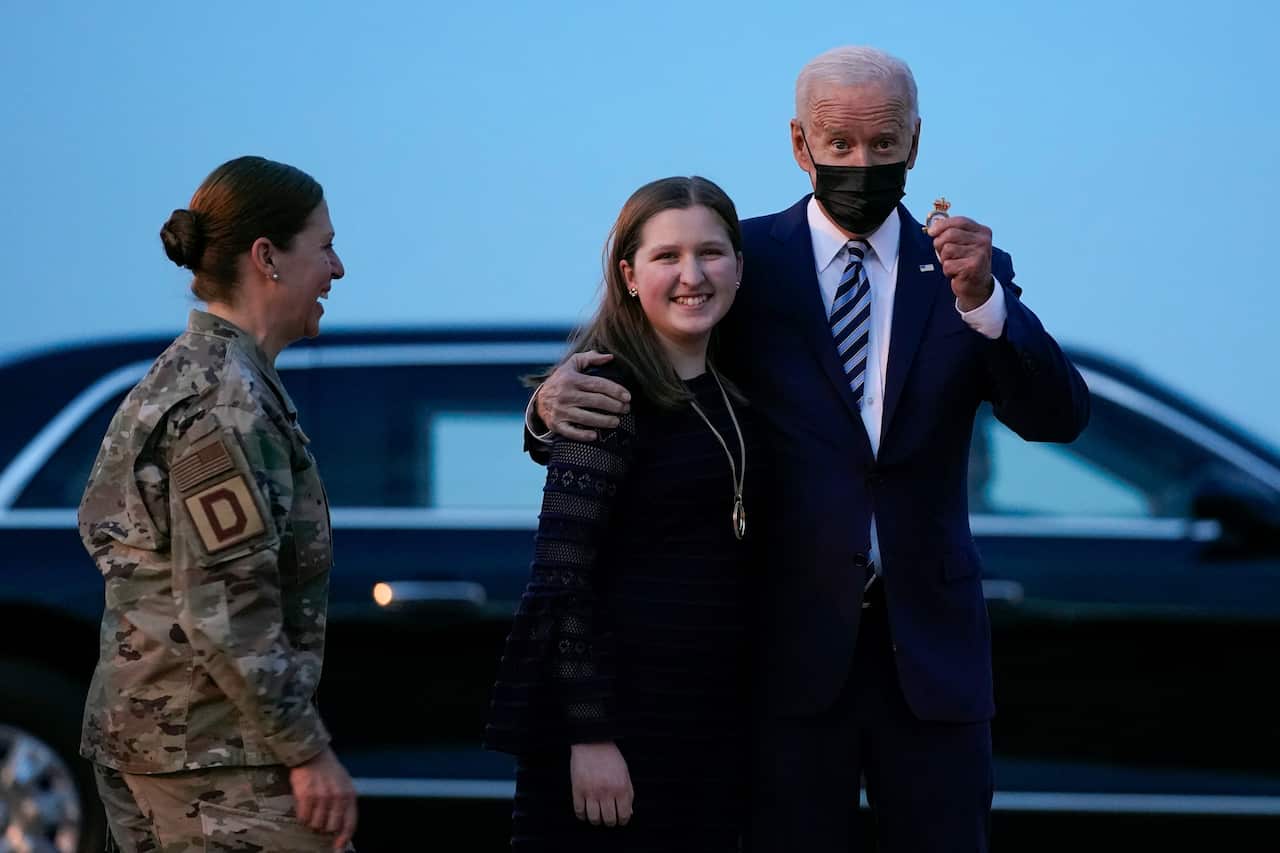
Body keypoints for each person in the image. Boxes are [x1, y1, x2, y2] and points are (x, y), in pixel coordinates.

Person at [525, 47, 1091, 852]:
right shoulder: (743, 264)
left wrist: (989, 306)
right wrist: (545, 410)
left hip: (932, 657)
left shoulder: (967, 268)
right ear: (801, 145)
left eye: (884, 144)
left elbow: (1057, 417)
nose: (862, 163)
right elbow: (648, 371)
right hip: (777, 656)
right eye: (840, 145)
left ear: (916, 140)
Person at [78, 155, 358, 852]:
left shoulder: (198, 378)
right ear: (267, 257)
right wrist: (306, 750)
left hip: (173, 744)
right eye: (323, 246)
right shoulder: (224, 400)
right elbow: (227, 605)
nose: (338, 268)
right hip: (212, 759)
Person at [485, 176, 759, 852]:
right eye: (667, 257)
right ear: (629, 275)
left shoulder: (736, 391)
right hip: (620, 739)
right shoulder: (602, 397)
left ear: (740, 268)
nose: (692, 275)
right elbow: (560, 580)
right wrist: (591, 737)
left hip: (707, 729)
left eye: (711, 253)